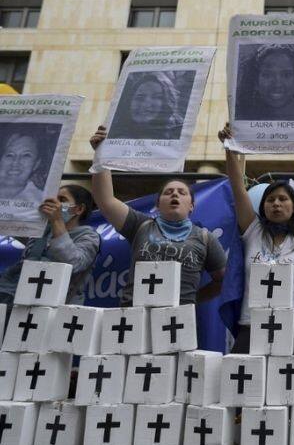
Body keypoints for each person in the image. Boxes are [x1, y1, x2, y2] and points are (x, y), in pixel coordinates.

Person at [219, 124, 294, 353]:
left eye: (283, 199)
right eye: (270, 200)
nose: (277, 204)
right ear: (263, 207)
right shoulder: (253, 231)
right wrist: (229, 148)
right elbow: (237, 187)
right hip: (251, 327)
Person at [90, 125, 226, 306]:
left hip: (177, 321)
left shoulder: (205, 238)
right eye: (168, 192)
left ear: (191, 206)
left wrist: (192, 300)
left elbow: (223, 280)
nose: (175, 195)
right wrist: (101, 154)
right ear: (157, 204)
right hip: (133, 314)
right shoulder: (140, 225)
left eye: (182, 192)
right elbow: (106, 200)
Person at [0, 184, 100, 312]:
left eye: (62, 200)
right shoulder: (41, 230)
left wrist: (56, 221)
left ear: (79, 209)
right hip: (14, 301)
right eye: (53, 199)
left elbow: (74, 262)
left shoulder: (89, 237)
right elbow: (11, 223)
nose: (55, 204)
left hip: (55, 310)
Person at [235, 45, 294, 122]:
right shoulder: (242, 117)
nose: (277, 84)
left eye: (286, 75)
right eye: (267, 75)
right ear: (256, 82)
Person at [109, 71, 187, 140]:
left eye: (157, 97)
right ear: (129, 102)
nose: (146, 105)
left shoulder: (179, 135)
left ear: (166, 104)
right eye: (140, 97)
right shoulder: (113, 134)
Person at [0, 132, 45, 202]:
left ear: (36, 164)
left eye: (26, 155)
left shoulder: (42, 201)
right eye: (10, 155)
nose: (15, 162)